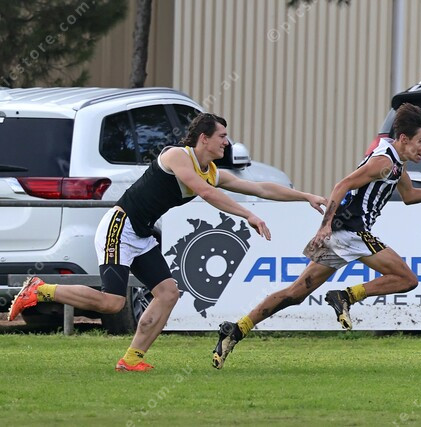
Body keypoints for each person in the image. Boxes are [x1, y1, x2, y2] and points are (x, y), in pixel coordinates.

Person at [8, 112, 327, 372]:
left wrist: (305, 196)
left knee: (168, 293)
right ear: (204, 138)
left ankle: (131, 359)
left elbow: (261, 188)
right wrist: (249, 215)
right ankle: (39, 289)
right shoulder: (177, 156)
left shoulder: (211, 170)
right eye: (222, 136)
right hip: (120, 226)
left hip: (141, 234)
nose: (227, 142)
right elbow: (206, 193)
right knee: (113, 303)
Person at [212, 103, 421, 369]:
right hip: (351, 231)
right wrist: (325, 225)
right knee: (407, 279)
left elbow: (410, 196)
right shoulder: (384, 162)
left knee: (295, 293)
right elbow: (342, 185)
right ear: (404, 139)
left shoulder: (396, 164)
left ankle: (236, 329)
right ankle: (345, 296)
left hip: (342, 234)